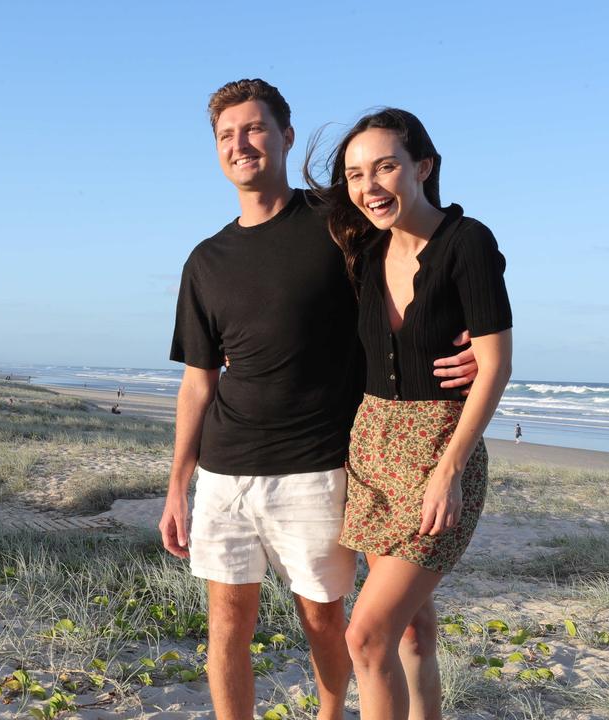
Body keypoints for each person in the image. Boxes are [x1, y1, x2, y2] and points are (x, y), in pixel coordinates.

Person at [159, 80, 478, 720]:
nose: (240, 144)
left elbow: (422, 243)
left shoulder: (340, 221)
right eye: (227, 135)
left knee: (326, 622)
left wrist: (463, 331)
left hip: (320, 462)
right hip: (226, 471)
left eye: (254, 129)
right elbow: (199, 380)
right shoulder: (206, 260)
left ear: (285, 136)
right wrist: (177, 484)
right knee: (226, 625)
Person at [307, 108, 513, 719]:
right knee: (410, 632)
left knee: (365, 636)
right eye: (355, 173)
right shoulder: (364, 253)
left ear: (422, 167)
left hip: (437, 458)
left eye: (386, 167)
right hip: (372, 455)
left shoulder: (467, 242)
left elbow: (495, 364)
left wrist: (449, 470)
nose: (369, 186)